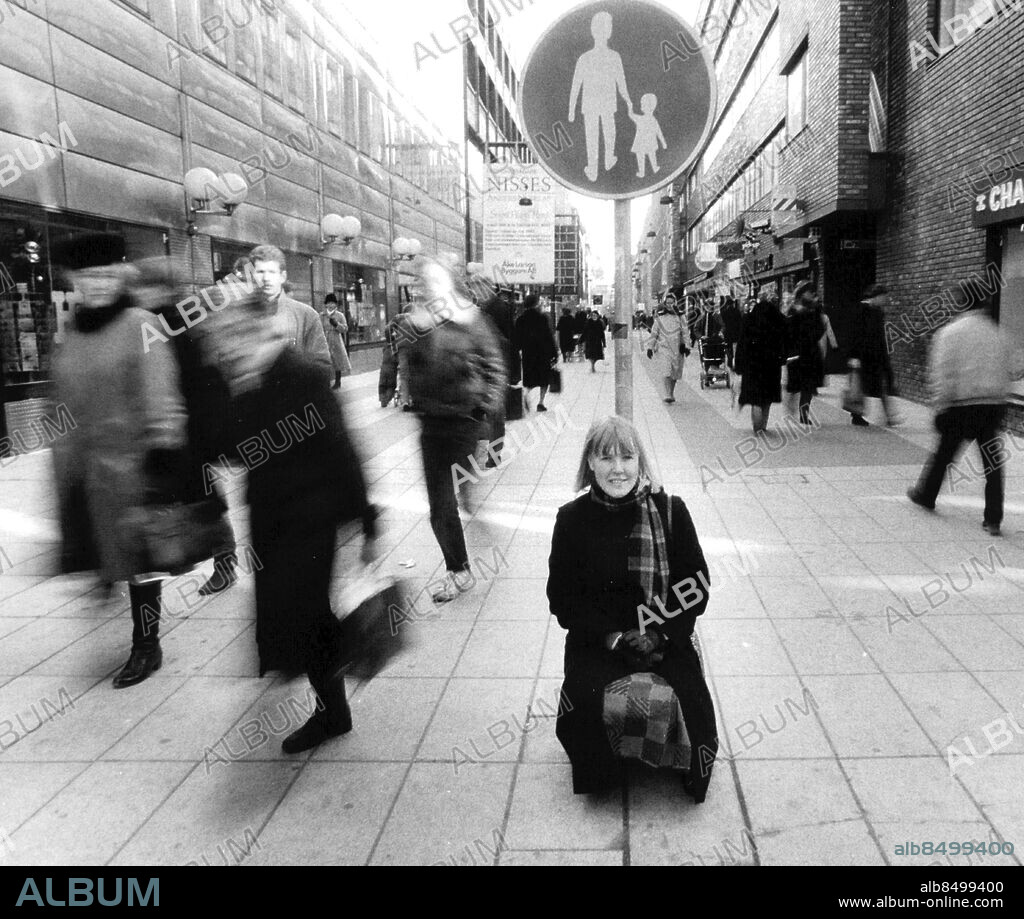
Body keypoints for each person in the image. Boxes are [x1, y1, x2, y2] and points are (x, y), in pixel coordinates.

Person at [202, 307, 380, 753]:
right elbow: (235, 446)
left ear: (250, 334)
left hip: (309, 520)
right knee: (299, 614)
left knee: (311, 616)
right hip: (274, 519)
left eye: (227, 342)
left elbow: (342, 447)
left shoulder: (299, 373)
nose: (222, 353)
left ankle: (331, 712)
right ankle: (319, 693)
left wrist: (364, 518)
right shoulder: (248, 378)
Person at [547, 416, 717, 799]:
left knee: (697, 711)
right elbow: (562, 599)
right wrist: (614, 636)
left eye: (627, 457)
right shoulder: (571, 520)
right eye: (606, 458)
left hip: (663, 634)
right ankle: (601, 778)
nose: (618, 469)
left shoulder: (670, 510)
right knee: (579, 705)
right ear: (589, 462)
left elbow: (696, 588)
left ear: (640, 461)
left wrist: (660, 633)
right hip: (599, 638)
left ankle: (687, 772)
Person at [50, 234, 191, 689]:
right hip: (87, 470)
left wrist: (162, 460)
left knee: (141, 562)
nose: (101, 283)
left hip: (134, 467)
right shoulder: (72, 334)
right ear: (73, 280)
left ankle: (146, 646)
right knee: (106, 552)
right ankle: (109, 588)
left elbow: (162, 396)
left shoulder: (141, 323)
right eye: (90, 276)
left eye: (109, 273)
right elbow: (63, 405)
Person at [404, 257, 506, 603]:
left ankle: (458, 571)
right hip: (430, 424)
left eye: (435, 279)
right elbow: (409, 367)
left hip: (464, 421)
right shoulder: (416, 323)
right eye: (424, 281)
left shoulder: (470, 319)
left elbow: (495, 367)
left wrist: (483, 408)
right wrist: (411, 397)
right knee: (439, 507)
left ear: (448, 281)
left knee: (446, 500)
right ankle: (458, 569)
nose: (429, 286)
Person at [908, 289, 1012, 536]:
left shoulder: (950, 333)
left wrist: (940, 404)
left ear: (961, 303)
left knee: (944, 453)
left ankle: (926, 494)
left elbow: (942, 373)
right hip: (992, 404)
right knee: (992, 462)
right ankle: (993, 518)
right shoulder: (999, 334)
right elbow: (1010, 369)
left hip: (961, 405)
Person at [735, 290, 788, 434]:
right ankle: (763, 424)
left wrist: (739, 364)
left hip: (752, 363)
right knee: (768, 396)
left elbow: (741, 343)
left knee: (755, 397)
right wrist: (782, 357)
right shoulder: (779, 319)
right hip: (772, 364)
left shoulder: (749, 318)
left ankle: (757, 426)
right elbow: (787, 340)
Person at [848, 284, 900, 426]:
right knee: (860, 385)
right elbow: (855, 334)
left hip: (877, 354)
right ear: (876, 296)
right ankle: (857, 415)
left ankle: (889, 416)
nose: (885, 300)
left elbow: (880, 335)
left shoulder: (878, 312)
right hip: (864, 356)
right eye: (884, 297)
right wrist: (854, 356)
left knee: (881, 383)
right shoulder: (861, 309)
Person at [480, 285, 518, 467]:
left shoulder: (479, 313)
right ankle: (493, 455)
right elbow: (513, 343)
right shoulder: (500, 311)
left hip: (484, 371)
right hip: (495, 370)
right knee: (495, 416)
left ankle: (490, 454)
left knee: (490, 415)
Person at [784, 281, 827, 425]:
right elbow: (788, 331)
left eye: (812, 292)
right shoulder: (793, 309)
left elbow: (820, 329)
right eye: (809, 292)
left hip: (810, 352)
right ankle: (791, 403)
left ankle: (804, 414)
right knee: (795, 385)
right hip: (796, 352)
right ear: (802, 293)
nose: (811, 294)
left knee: (808, 385)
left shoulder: (815, 310)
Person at [515, 293, 559, 412]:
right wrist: (554, 353)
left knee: (529, 380)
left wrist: (518, 349)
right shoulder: (542, 318)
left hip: (528, 353)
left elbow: (517, 337)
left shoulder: (520, 319)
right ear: (536, 303)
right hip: (542, 353)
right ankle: (540, 402)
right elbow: (548, 336)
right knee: (544, 380)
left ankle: (525, 395)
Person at [646, 296, 686, 403]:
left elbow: (685, 332)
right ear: (665, 304)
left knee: (675, 372)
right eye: (668, 303)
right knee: (666, 370)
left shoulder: (680, 316)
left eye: (672, 303)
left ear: (675, 303)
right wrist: (650, 347)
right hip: (663, 348)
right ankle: (667, 394)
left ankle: (671, 393)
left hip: (677, 348)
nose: (670, 305)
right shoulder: (660, 317)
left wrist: (686, 345)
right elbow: (654, 333)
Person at [322, 293, 351, 389]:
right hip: (325, 341)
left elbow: (345, 329)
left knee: (337, 361)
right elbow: (318, 328)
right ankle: (326, 382)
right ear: (325, 304)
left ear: (335, 304)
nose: (330, 305)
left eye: (333, 303)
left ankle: (338, 382)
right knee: (325, 362)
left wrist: (336, 324)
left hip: (336, 340)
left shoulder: (340, 315)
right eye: (328, 303)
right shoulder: (321, 315)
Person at [719, 297, 742, 371]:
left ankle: (730, 363)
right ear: (732, 304)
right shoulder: (737, 311)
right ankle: (737, 364)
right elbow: (740, 323)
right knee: (736, 349)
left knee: (729, 348)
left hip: (727, 334)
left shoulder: (723, 312)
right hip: (736, 334)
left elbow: (722, 324)